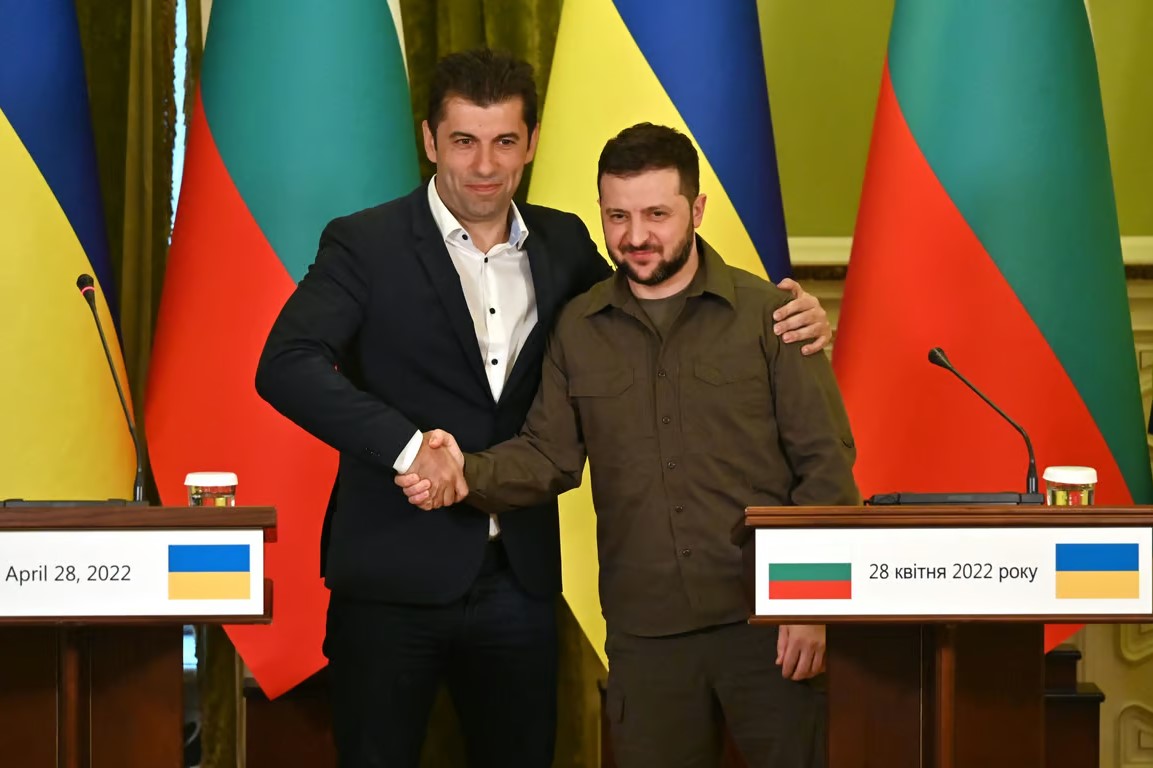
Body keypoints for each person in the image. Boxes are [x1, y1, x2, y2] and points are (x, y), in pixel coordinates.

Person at [256, 48, 833, 768]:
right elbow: (286, 364)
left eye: (504, 141)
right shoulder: (364, 244)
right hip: (391, 580)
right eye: (463, 141)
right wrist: (410, 449)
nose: (484, 165)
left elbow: (657, 291)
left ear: (530, 143)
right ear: (430, 140)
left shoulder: (567, 245)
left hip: (520, 583)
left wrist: (794, 315)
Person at [400, 123, 860, 768]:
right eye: (618, 216)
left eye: (656, 215)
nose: (636, 236)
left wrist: (810, 604)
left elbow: (826, 466)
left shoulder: (773, 317)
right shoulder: (578, 327)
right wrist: (462, 471)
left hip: (766, 625)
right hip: (646, 638)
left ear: (697, 209)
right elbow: (547, 455)